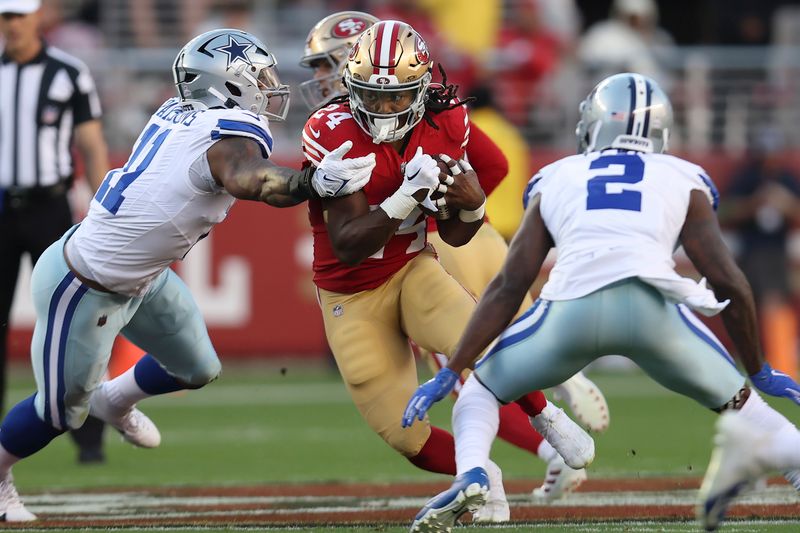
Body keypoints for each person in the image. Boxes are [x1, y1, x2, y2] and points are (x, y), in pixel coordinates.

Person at [0, 28, 376, 521]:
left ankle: (114, 401)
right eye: (257, 75)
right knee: (59, 411)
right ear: (226, 82)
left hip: (145, 276)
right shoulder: (228, 132)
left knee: (196, 369)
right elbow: (250, 178)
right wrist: (309, 181)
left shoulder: (183, 111)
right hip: (84, 283)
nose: (268, 84)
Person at [403, 72, 800, 533]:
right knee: (748, 409)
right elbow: (728, 279)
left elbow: (511, 283)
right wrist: (757, 370)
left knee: (480, 391)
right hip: (655, 313)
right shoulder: (681, 175)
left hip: (572, 310)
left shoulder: (559, 175)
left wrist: (453, 369)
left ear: (593, 124)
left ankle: (472, 471)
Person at [299, 11, 606, 505]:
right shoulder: (331, 129)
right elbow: (349, 245)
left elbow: (459, 235)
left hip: (413, 265)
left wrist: (473, 200)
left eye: (396, 94)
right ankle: (484, 471)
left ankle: (548, 417)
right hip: (350, 294)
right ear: (352, 83)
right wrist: (406, 196)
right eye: (372, 94)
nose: (383, 107)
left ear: (420, 88)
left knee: (483, 345)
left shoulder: (446, 120)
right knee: (406, 437)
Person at [0, 0, 111, 464]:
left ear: (38, 17)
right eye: (5, 16)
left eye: (19, 15)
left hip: (49, 206)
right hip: (2, 208)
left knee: (75, 322)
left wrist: (105, 211)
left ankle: (88, 438)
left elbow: (90, 141)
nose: (12, 24)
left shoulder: (68, 72)